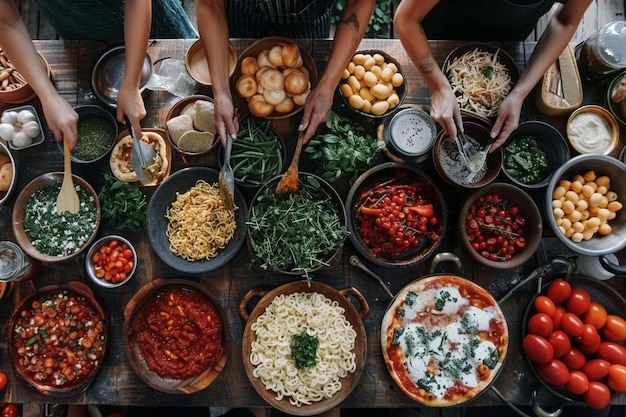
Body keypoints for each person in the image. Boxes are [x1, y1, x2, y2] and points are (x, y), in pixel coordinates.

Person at [394, 0, 593, 151]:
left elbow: (565, 20)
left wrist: (519, 94)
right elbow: (407, 19)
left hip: (510, 39)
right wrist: (437, 86)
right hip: (437, 34)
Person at [0, 0, 196, 148]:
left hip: (146, 21)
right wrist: (47, 95)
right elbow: (5, 19)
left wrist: (130, 82)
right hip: (77, 26)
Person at [196, 0, 377, 145]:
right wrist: (221, 92)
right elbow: (210, 4)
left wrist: (328, 85)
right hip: (245, 18)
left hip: (309, 23)